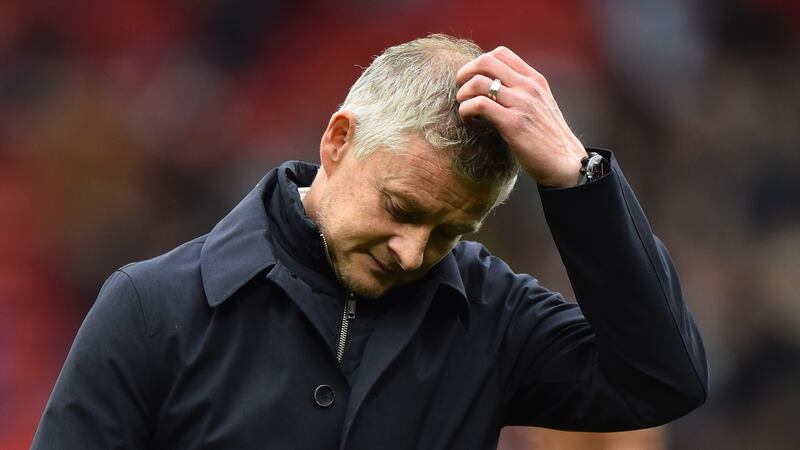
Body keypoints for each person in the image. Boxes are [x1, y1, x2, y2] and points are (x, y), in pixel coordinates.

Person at [32, 34, 708, 449]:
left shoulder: (493, 317)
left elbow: (661, 380)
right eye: (401, 208)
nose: (412, 252)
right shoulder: (152, 309)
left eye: (449, 232)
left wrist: (577, 178)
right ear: (338, 140)